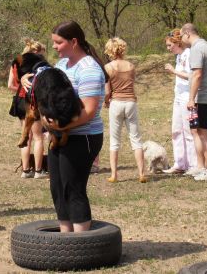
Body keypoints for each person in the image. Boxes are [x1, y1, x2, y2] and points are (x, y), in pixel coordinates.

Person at [22, 21, 105, 232]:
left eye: (59, 43)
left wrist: (57, 125)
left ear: (74, 42)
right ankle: (65, 242)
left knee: (73, 189)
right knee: (57, 188)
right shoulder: (60, 66)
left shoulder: (89, 69)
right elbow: (43, 87)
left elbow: (88, 112)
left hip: (83, 137)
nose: (55, 47)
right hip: (58, 137)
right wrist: (26, 80)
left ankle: (80, 244)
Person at [180, 23, 207, 182]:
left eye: (182, 36)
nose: (182, 39)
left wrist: (191, 98)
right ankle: (202, 167)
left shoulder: (197, 49)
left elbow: (197, 75)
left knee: (205, 134)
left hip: (205, 98)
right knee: (200, 132)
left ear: (188, 34)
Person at [103, 37, 147, 183]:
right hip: (131, 102)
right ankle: (142, 173)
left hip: (116, 103)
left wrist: (106, 102)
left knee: (114, 141)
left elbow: (107, 91)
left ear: (110, 50)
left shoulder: (108, 67)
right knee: (136, 139)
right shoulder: (131, 66)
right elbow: (131, 84)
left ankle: (114, 175)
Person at [7, 38, 47, 179]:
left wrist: (21, 87)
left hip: (19, 100)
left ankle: (25, 170)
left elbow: (10, 85)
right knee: (38, 137)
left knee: (26, 137)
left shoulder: (17, 62)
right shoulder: (40, 65)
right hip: (33, 101)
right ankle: (38, 170)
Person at [162, 29, 198, 174]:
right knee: (176, 130)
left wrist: (173, 71)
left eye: (170, 45)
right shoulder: (178, 56)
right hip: (178, 96)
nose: (168, 48)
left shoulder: (189, 54)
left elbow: (192, 76)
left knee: (188, 131)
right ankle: (180, 163)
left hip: (187, 97)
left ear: (178, 43)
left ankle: (193, 165)